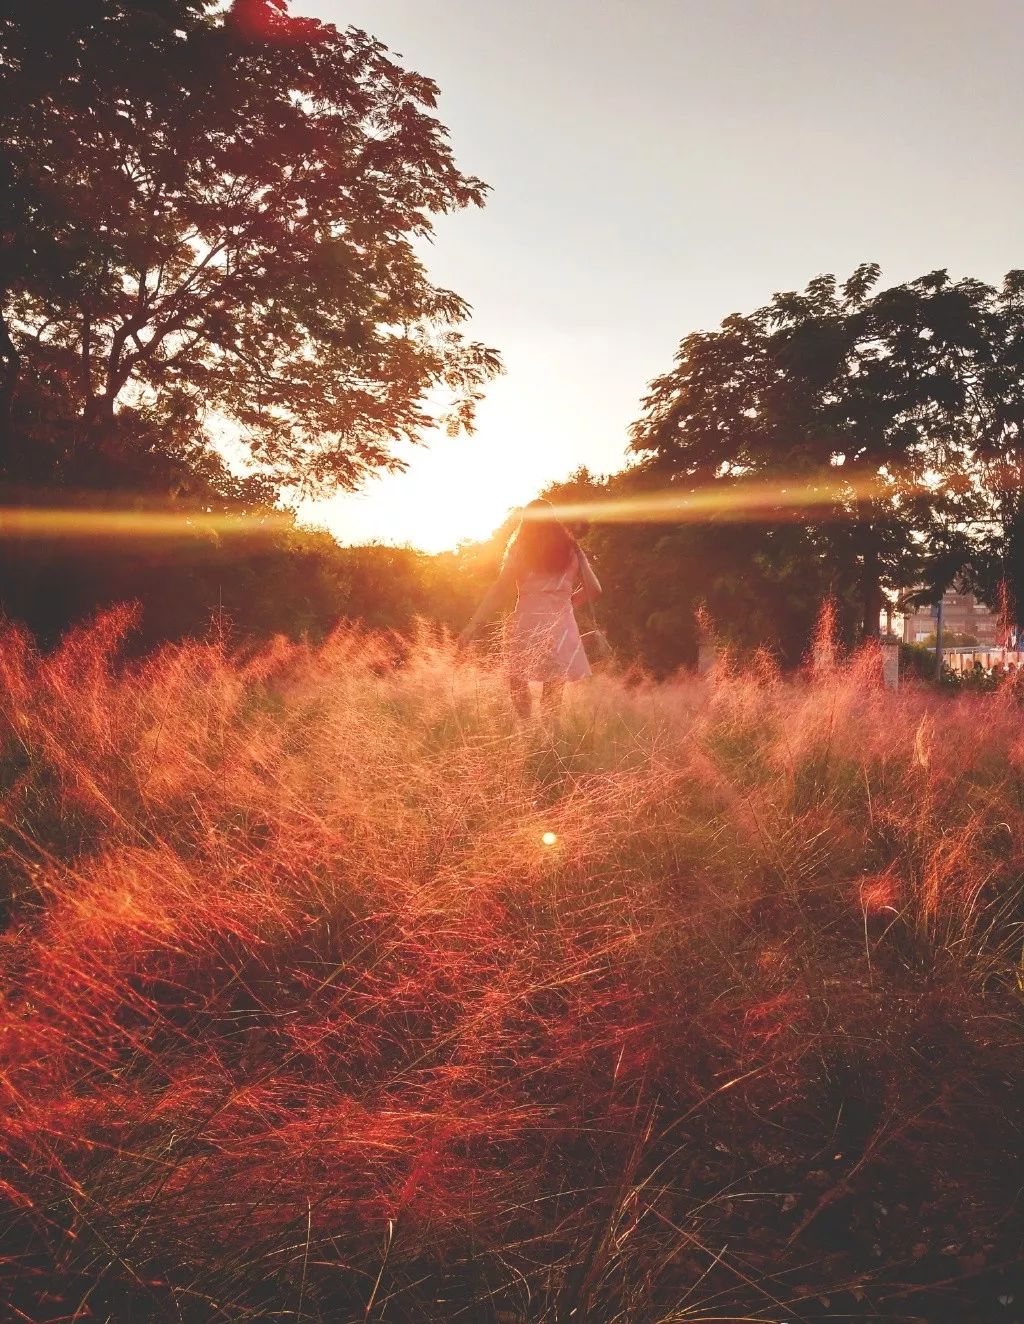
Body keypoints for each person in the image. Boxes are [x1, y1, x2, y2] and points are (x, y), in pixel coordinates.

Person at [459, 499, 602, 719]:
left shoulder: (522, 549)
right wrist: (567, 601)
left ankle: (526, 732)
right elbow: (594, 589)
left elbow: (499, 589)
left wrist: (473, 624)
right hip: (562, 624)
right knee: (553, 688)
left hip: (528, 622)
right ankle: (548, 742)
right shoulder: (571, 548)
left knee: (517, 679)